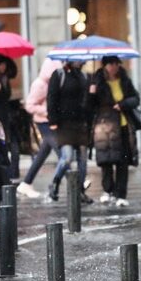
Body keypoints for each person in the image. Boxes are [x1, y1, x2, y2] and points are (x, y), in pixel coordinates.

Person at [90, 56, 141, 207]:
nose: (113, 67)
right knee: (106, 160)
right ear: (104, 65)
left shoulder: (124, 79)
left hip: (123, 125)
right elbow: (89, 105)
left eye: (115, 64)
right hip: (104, 126)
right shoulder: (97, 81)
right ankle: (107, 191)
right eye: (110, 64)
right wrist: (92, 92)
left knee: (122, 161)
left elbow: (135, 99)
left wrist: (123, 104)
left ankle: (121, 194)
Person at [46, 61, 94, 204]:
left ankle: (80, 191)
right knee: (67, 157)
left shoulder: (84, 76)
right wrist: (53, 120)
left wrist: (92, 93)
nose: (79, 61)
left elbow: (88, 102)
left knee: (83, 160)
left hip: (81, 123)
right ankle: (55, 183)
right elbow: (51, 97)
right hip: (64, 124)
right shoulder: (59, 74)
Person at [17, 58, 63, 198]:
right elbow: (29, 105)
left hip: (50, 120)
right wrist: (47, 111)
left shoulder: (52, 83)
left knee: (43, 153)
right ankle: (78, 183)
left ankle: (26, 183)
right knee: (61, 151)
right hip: (43, 122)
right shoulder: (40, 84)